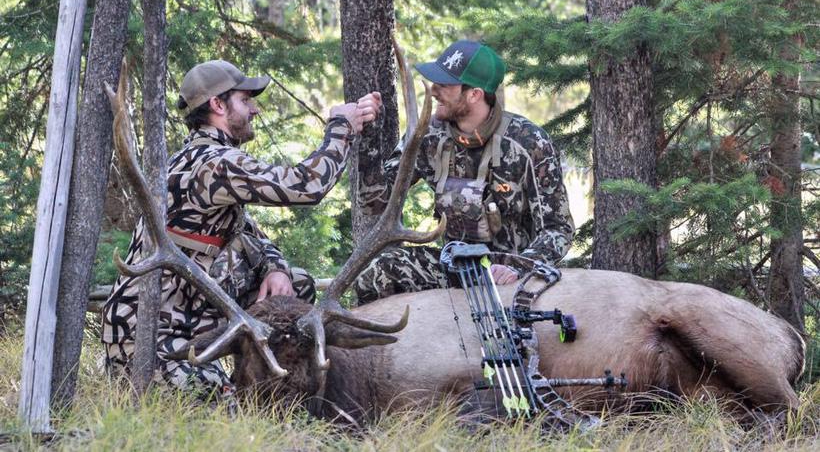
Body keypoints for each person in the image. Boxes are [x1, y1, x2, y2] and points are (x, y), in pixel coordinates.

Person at [102, 60, 381, 399]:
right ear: (218, 105)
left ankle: (271, 379)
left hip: (191, 318)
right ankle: (250, 384)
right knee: (221, 407)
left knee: (297, 285)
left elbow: (249, 233)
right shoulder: (213, 164)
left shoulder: (199, 159)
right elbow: (305, 187)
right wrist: (341, 126)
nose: (255, 110)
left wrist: (276, 269)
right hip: (151, 336)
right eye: (246, 100)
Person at [354, 40, 573, 304]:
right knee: (376, 274)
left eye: (444, 85)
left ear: (475, 94)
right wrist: (369, 138)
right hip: (454, 267)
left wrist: (520, 266)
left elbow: (557, 229)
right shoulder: (428, 135)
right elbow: (375, 202)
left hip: (512, 275)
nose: (433, 91)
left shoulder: (529, 143)